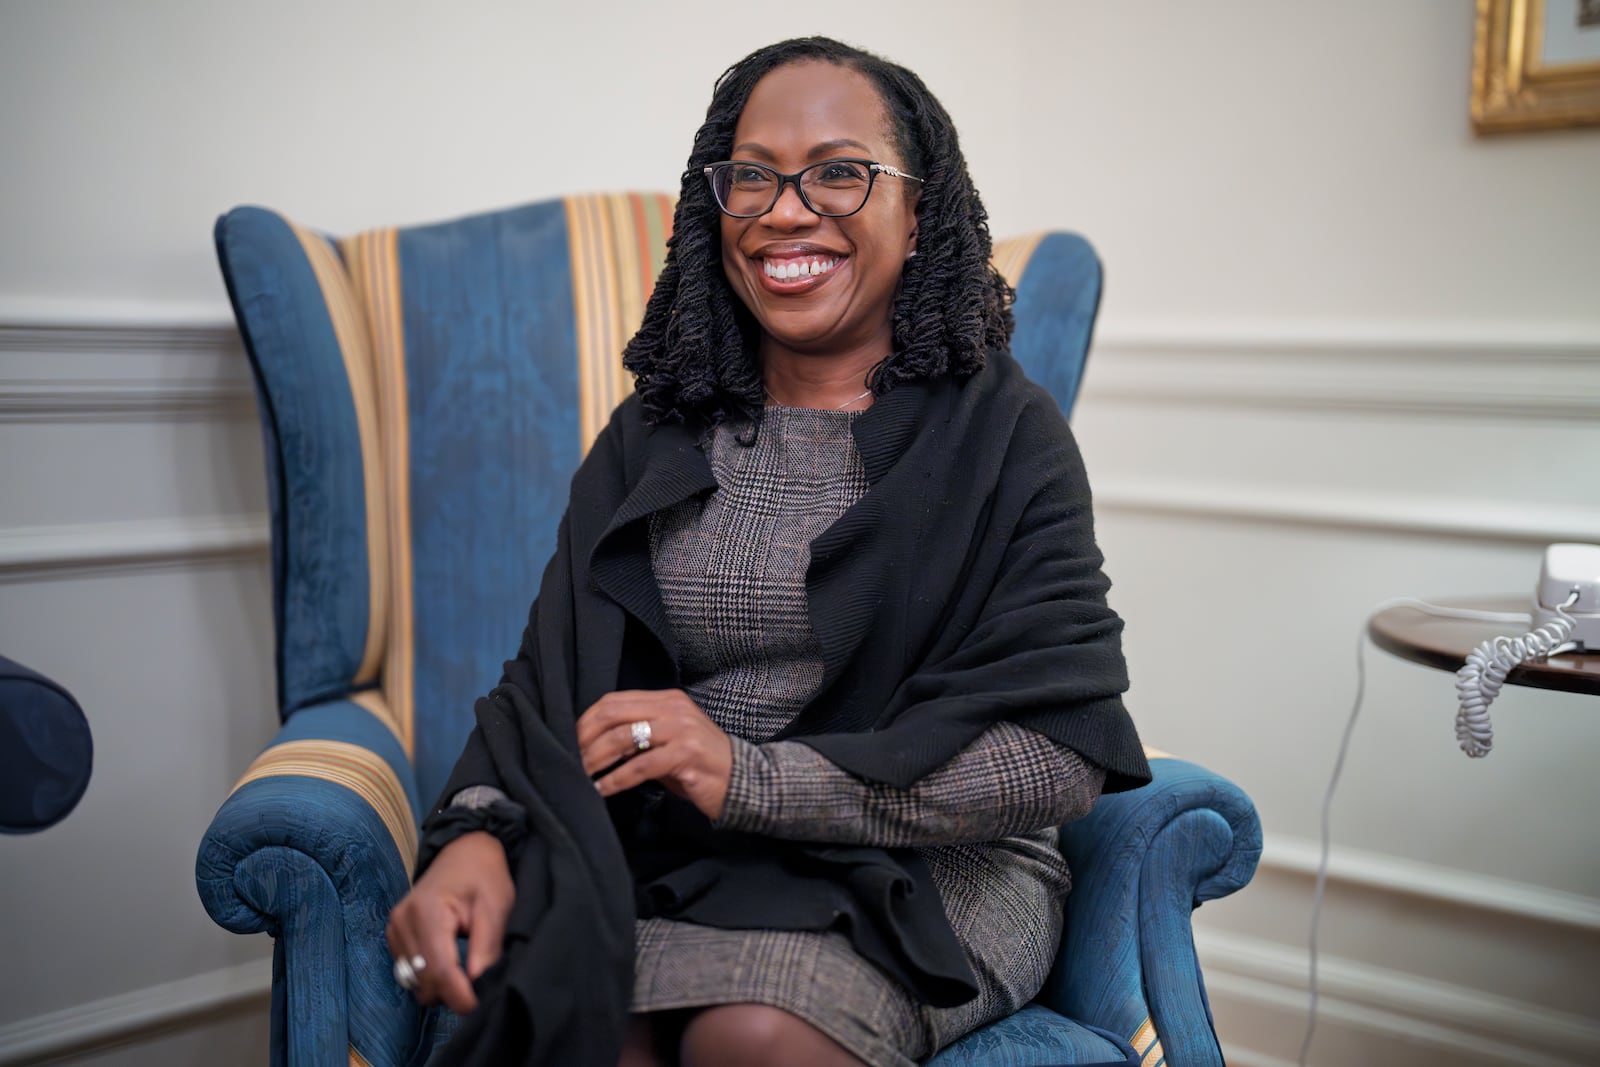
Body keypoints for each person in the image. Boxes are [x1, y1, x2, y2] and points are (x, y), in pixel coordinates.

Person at [385, 36, 1150, 1067]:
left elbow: (1056, 755)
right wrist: (472, 832)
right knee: (580, 1022)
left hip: (929, 867)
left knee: (754, 1033)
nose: (786, 211)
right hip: (673, 852)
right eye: (751, 177)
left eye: (840, 172)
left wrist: (752, 776)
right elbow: (546, 682)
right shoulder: (655, 429)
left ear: (917, 211)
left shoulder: (1005, 435)